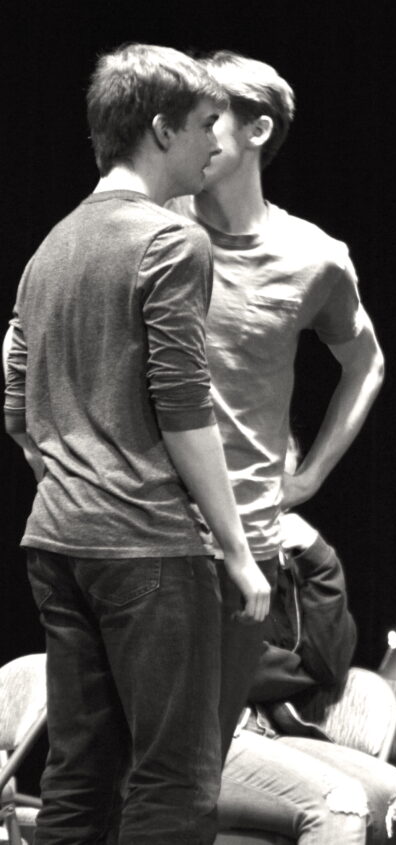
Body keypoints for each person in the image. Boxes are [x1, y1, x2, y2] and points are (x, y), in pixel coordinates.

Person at [2, 43, 269, 844]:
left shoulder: (49, 248)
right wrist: (238, 551)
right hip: (146, 546)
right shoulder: (172, 241)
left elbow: (16, 404)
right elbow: (184, 409)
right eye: (206, 124)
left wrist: (69, 475)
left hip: (58, 542)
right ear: (161, 129)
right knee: (175, 778)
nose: (217, 142)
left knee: (79, 775)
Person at [168, 49, 385, 755]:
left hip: (248, 545)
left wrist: (311, 476)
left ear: (257, 130)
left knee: (201, 765)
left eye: (211, 117)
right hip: (145, 530)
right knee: (135, 761)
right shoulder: (153, 224)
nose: (191, 132)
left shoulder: (312, 256)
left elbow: (366, 364)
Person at [220, 443, 396, 844]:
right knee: (342, 804)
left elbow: (329, 665)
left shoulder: (288, 556)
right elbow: (238, 669)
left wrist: (320, 561)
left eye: (287, 450)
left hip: (268, 731)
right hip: (214, 736)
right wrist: (303, 668)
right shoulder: (207, 547)